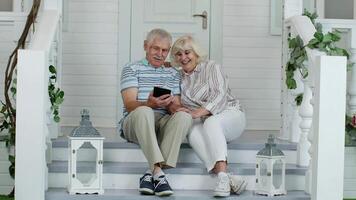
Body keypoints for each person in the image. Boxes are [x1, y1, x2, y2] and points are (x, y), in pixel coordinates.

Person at [170, 35, 247, 197]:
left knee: (211, 122)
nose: (183, 58)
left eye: (187, 52)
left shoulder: (211, 67)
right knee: (192, 133)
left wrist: (199, 112)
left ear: (196, 53)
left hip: (230, 114)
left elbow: (220, 95)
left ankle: (223, 176)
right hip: (203, 121)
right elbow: (175, 100)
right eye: (178, 54)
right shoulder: (177, 77)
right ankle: (224, 177)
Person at [119, 29, 193, 196]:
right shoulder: (131, 68)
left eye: (165, 50)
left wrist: (172, 106)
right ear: (146, 46)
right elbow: (130, 104)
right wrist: (149, 103)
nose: (160, 54)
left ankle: (150, 173)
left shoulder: (172, 73)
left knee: (184, 116)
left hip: (162, 121)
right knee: (144, 110)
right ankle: (158, 172)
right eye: (155, 48)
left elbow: (175, 106)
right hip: (135, 121)